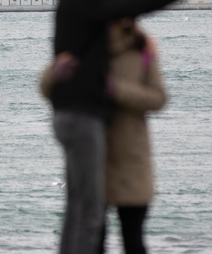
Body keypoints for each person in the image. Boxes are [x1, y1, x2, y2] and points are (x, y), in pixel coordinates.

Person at [48, 0, 212, 254]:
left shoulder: (83, 9)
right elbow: (140, 4)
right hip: (82, 117)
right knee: (90, 215)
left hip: (75, 118)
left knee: (80, 211)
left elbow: (71, 59)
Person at [41, 18, 167, 254]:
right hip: (93, 157)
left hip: (131, 158)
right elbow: (46, 88)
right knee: (93, 239)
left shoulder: (142, 51)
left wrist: (118, 90)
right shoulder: (81, 48)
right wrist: (55, 74)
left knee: (133, 238)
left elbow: (159, 98)